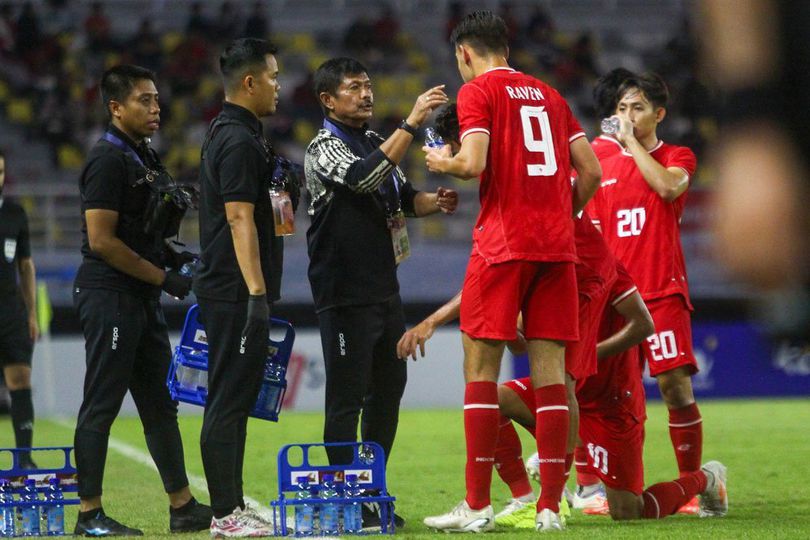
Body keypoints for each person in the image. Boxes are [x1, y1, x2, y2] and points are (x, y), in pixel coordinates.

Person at [421, 11, 601, 532]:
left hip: (503, 245)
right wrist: (559, 217)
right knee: (550, 382)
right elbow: (590, 170)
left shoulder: (477, 92)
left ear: (464, 54)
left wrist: (441, 161)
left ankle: (477, 504)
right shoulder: (550, 95)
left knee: (480, 372)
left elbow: (473, 163)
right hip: (555, 251)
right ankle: (550, 506)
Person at [304, 56, 455, 529]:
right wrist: (411, 123)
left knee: (388, 392)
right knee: (346, 399)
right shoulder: (321, 148)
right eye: (354, 87)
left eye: (368, 85)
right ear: (328, 100)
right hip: (343, 293)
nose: (366, 94)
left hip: (383, 291)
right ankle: (346, 498)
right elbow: (362, 178)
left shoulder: (372, 140)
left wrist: (434, 202)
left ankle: (371, 489)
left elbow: (403, 197)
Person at [72, 64, 211, 536]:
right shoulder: (107, 160)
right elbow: (102, 241)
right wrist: (162, 277)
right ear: (115, 107)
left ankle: (183, 506)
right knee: (102, 403)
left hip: (137, 295)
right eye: (144, 100)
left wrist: (174, 258)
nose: (156, 108)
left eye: (156, 99)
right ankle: (88, 515)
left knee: (158, 403)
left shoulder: (143, 157)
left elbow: (142, 229)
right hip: (110, 294)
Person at [494, 263, 728, 525]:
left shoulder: (604, 266)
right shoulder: (544, 270)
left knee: (628, 511)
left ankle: (706, 478)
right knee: (494, 401)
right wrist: (507, 325)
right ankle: (523, 500)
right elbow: (519, 346)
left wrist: (588, 355)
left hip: (611, 403)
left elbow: (643, 324)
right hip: (562, 394)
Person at [586, 72, 704, 514]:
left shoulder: (677, 155)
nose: (627, 116)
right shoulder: (604, 165)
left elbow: (668, 187)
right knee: (614, 398)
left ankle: (690, 488)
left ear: (659, 114)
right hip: (616, 302)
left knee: (674, 387)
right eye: (620, 109)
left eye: (636, 108)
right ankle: (609, 488)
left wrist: (631, 143)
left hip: (660, 290)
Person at [194, 38, 285, 538]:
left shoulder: (238, 134)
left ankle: (231, 503)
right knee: (228, 398)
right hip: (233, 290)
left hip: (233, 288)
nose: (278, 85)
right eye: (273, 76)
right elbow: (237, 216)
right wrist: (256, 293)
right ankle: (226, 514)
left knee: (235, 397)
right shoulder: (236, 139)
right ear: (249, 82)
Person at [0, 148, 39, 470]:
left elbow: (26, 265)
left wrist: (31, 314)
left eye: (0, 172)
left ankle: (24, 458)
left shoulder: (14, 214)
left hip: (10, 310)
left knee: (20, 380)